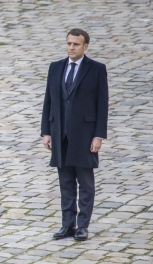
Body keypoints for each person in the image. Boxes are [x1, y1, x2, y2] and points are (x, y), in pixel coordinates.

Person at [41, 28, 109, 241]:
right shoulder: (55, 67)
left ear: (85, 46)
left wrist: (98, 135)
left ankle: (83, 226)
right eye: (69, 43)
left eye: (76, 44)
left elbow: (102, 104)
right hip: (60, 134)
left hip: (85, 136)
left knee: (86, 184)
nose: (71, 47)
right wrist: (46, 131)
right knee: (66, 183)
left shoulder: (97, 69)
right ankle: (67, 225)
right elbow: (48, 101)